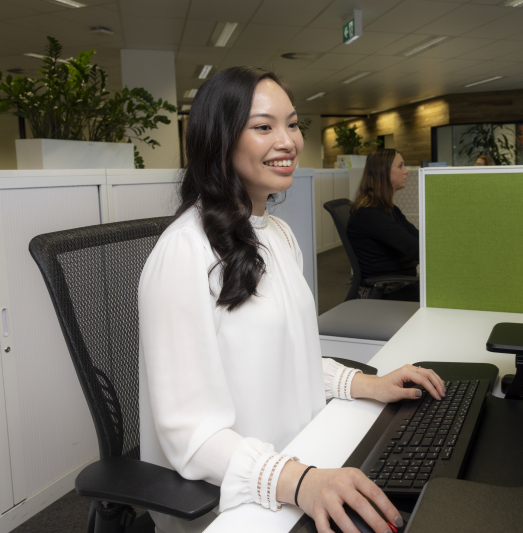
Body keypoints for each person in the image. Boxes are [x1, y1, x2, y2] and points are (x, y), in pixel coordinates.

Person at [138, 67, 446, 533]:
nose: (288, 141)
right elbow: (189, 434)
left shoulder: (277, 234)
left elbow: (288, 353)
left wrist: (369, 384)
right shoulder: (184, 253)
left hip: (301, 461)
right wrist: (300, 481)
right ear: (219, 141)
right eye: (263, 127)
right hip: (235, 498)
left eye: (293, 123)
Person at [347, 149, 420, 302]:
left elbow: (416, 238)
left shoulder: (388, 209)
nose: (406, 171)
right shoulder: (369, 213)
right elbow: (416, 249)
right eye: (400, 166)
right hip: (386, 289)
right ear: (383, 172)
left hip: (397, 282)